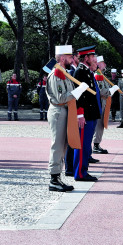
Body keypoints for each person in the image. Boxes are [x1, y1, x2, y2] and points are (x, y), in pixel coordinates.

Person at [47, 45, 86, 192]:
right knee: (57, 145)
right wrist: (78, 91)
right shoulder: (57, 73)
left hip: (65, 111)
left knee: (63, 145)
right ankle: (54, 178)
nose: (73, 59)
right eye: (70, 57)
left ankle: (58, 176)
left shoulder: (63, 72)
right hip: (58, 111)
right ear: (62, 58)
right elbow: (61, 97)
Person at [73, 45, 103, 182]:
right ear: (86, 58)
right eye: (92, 57)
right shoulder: (80, 72)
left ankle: (83, 170)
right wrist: (80, 114)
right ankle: (80, 173)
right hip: (85, 115)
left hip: (90, 114)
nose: (94, 59)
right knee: (83, 145)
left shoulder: (87, 71)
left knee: (86, 145)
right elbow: (79, 96)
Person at [92, 55, 118, 156]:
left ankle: (97, 143)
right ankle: (96, 144)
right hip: (101, 102)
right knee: (99, 124)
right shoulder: (98, 75)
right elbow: (102, 91)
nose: (105, 64)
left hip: (104, 102)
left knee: (101, 124)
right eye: (103, 62)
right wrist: (111, 90)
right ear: (98, 64)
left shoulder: (101, 74)